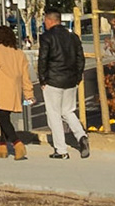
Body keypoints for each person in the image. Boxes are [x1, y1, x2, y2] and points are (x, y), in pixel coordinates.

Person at [35, 10, 90, 160]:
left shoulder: (47, 37)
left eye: (45, 20)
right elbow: (80, 59)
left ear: (50, 20)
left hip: (53, 80)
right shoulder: (73, 37)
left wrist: (42, 79)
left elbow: (43, 60)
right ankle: (81, 136)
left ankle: (61, 149)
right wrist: (77, 77)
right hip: (70, 81)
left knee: (54, 114)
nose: (44, 23)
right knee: (68, 111)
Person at [0, 23, 34, 160]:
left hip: (1, 90)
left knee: (3, 119)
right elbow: (26, 77)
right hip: (14, 91)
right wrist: (29, 94)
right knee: (5, 119)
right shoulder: (19, 53)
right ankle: (2, 147)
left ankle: (17, 144)